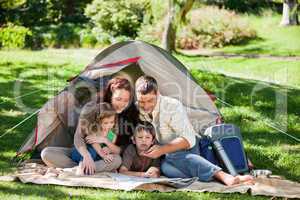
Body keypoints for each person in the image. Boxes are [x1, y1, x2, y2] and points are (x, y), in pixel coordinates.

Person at [135, 75, 254, 186]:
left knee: (172, 155)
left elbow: (188, 140)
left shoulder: (172, 106)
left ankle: (224, 176)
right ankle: (208, 170)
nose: (146, 106)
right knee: (166, 168)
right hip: (167, 155)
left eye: (150, 101)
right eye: (142, 101)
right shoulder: (138, 109)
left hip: (188, 147)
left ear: (158, 94)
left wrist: (162, 149)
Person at [41, 77, 138, 175]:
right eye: (118, 99)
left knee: (117, 160)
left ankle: (77, 170)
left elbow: (121, 150)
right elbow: (79, 136)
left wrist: (106, 143)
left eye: (126, 100)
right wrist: (87, 156)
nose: (122, 104)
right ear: (111, 92)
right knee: (46, 153)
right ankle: (87, 168)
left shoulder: (128, 116)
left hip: (103, 157)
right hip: (82, 152)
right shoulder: (92, 107)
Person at [70, 102, 121, 174]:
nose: (109, 125)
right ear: (99, 122)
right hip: (80, 153)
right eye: (105, 123)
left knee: (115, 158)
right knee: (92, 151)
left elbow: (111, 144)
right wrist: (103, 155)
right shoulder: (95, 130)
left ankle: (86, 168)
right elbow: (94, 144)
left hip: (97, 156)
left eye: (112, 122)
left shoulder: (112, 133)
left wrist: (108, 150)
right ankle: (82, 166)